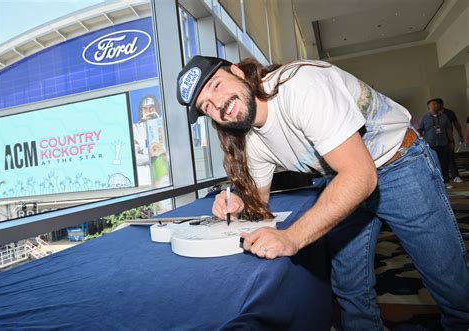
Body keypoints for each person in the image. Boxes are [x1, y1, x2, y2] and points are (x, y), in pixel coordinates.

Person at [176, 55, 469, 330]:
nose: (218, 106)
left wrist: (291, 236)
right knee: (349, 287)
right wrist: (237, 201)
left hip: (399, 163)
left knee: (449, 281)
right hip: (341, 177)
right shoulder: (251, 138)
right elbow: (258, 201)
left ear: (239, 72)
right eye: (206, 108)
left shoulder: (299, 85)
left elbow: (360, 175)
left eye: (216, 86)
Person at [419, 99, 453, 188]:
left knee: (444, 164)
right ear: (429, 106)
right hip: (430, 145)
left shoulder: (444, 117)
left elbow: (448, 130)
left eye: (437, 104)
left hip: (443, 144)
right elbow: (420, 130)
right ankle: (436, 183)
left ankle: (446, 182)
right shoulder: (424, 118)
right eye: (433, 104)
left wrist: (451, 141)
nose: (436, 106)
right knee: (432, 165)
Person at [435, 98, 464, 183]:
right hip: (436, 140)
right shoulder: (431, 114)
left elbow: (456, 124)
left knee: (450, 157)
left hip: (448, 138)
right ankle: (443, 178)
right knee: (439, 159)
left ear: (442, 104)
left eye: (437, 104)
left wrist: (460, 135)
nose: (435, 106)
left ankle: (455, 176)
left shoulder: (449, 113)